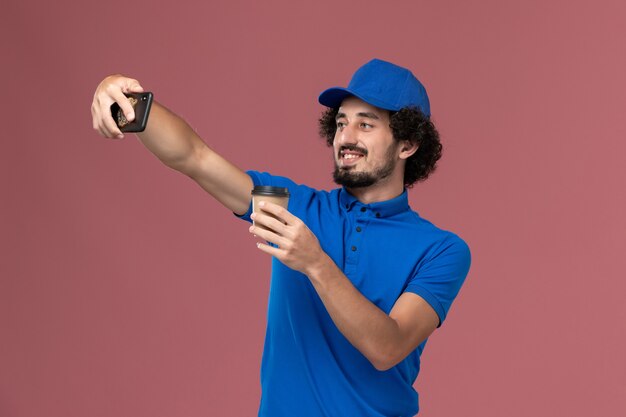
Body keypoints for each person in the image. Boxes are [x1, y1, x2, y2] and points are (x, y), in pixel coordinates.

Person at [91, 58, 471, 416]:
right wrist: (127, 101)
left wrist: (315, 263)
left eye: (366, 125)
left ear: (407, 144)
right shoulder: (292, 206)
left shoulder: (441, 250)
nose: (346, 138)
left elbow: (387, 348)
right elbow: (195, 157)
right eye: (341, 123)